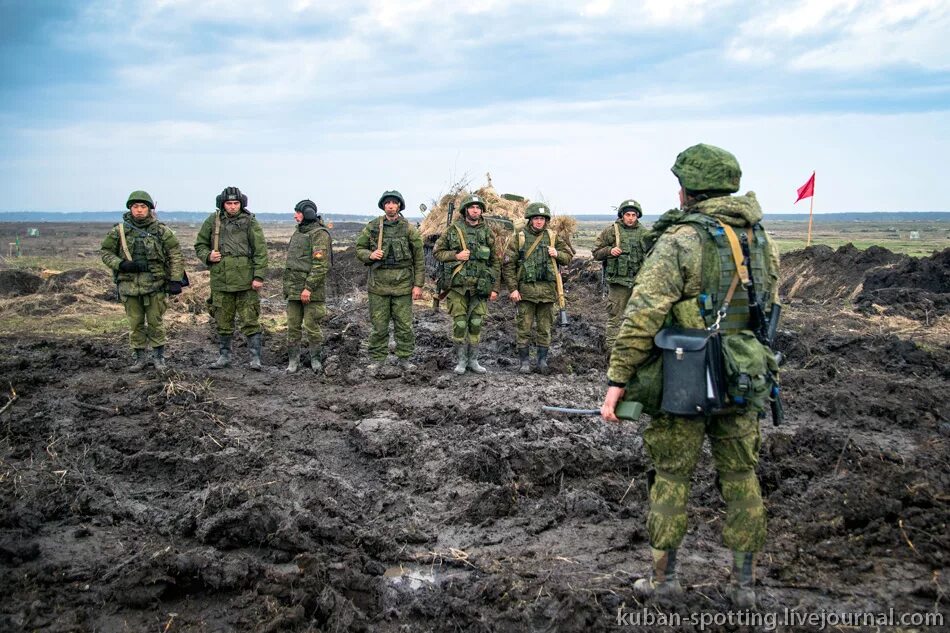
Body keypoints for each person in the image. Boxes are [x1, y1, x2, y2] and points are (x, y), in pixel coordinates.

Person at [600, 143, 780, 608]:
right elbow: (767, 308)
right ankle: (745, 586)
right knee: (742, 476)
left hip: (686, 373)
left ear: (688, 190)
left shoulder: (681, 239)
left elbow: (641, 315)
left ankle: (664, 580)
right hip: (743, 374)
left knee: (671, 478)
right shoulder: (759, 238)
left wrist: (617, 380)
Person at [100, 190, 184, 372]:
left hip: (155, 285)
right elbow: (106, 253)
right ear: (130, 209)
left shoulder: (161, 231)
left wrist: (175, 280)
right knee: (135, 323)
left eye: (143, 207)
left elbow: (175, 254)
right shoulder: (119, 231)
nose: (139, 210)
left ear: (149, 209)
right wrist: (121, 264)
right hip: (129, 286)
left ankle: (159, 358)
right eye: (135, 207)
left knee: (156, 323)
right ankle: (139, 358)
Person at [194, 186, 268, 370]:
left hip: (246, 281)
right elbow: (200, 244)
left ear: (241, 203)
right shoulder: (213, 221)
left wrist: (258, 276)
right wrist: (208, 256)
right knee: (223, 321)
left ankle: (255, 359)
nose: (233, 207)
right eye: (229, 203)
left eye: (236, 203)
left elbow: (260, 251)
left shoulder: (250, 222)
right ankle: (224, 357)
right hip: (221, 280)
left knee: (250, 320)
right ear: (223, 204)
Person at [354, 190, 424, 372]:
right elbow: (359, 248)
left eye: (394, 202)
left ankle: (404, 359)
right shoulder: (373, 227)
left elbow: (419, 259)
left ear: (399, 205)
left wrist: (418, 285)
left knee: (404, 326)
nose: (391, 205)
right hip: (378, 286)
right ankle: (378, 359)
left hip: (403, 285)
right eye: (387, 203)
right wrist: (370, 255)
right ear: (383, 206)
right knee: (379, 326)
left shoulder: (409, 229)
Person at [433, 194, 501, 374]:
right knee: (460, 324)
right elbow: (437, 252)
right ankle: (461, 361)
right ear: (465, 210)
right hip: (458, 287)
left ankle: (473, 361)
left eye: (478, 208)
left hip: (480, 287)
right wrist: (455, 256)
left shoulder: (487, 232)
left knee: (476, 323)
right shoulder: (453, 230)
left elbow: (495, 261)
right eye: (472, 207)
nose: (475, 210)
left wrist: (494, 287)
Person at [501, 202, 572, 373]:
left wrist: (557, 254)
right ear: (530, 220)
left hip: (548, 293)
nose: (539, 222)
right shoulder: (519, 238)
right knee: (523, 328)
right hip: (525, 293)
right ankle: (524, 362)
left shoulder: (553, 237)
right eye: (536, 218)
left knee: (544, 329)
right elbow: (508, 265)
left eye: (542, 219)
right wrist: (513, 289)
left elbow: (568, 256)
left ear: (545, 220)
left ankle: (542, 361)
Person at [591, 199, 650, 358]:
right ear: (622, 215)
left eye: (633, 215)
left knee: (638, 319)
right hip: (618, 283)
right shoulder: (611, 232)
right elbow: (596, 252)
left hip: (638, 283)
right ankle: (612, 354)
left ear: (637, 216)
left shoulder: (644, 233)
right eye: (627, 215)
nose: (630, 218)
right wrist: (610, 251)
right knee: (615, 318)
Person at [283, 199, 332, 374]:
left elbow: (320, 265)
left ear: (307, 214)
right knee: (293, 326)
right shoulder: (298, 233)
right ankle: (293, 361)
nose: (295, 216)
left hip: (311, 292)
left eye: (298, 212)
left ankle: (316, 360)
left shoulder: (319, 234)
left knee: (312, 326)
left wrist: (308, 288)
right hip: (294, 290)